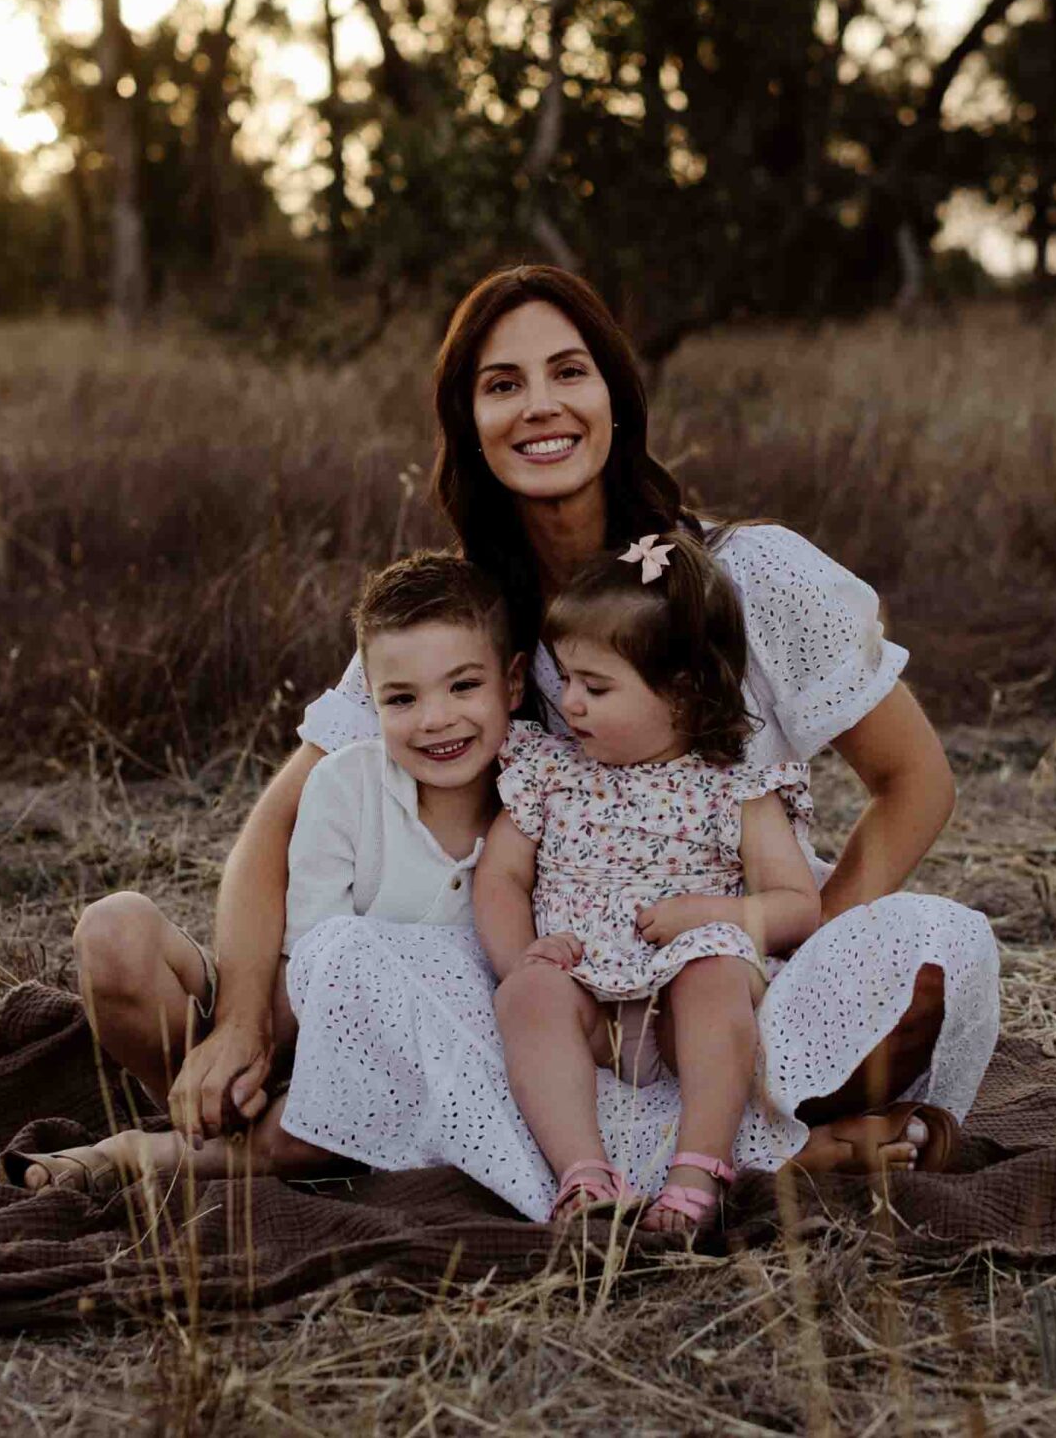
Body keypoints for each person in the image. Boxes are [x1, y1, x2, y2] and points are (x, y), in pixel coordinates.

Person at [250, 265, 1000, 1220]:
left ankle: (735, 1121)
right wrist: (242, 1019)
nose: (541, 406)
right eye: (502, 384)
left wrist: (796, 964)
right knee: (372, 968)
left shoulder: (748, 576)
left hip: (732, 966)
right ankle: (722, 1156)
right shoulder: (464, 629)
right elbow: (277, 827)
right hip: (562, 988)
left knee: (935, 956)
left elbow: (916, 782)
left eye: (570, 371)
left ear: (616, 395)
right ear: (464, 421)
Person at [0, 551, 520, 1192]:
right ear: (369, 700)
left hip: (429, 1061)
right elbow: (312, 958)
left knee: (309, 1129)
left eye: (463, 686)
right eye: (402, 698)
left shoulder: (542, 802)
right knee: (113, 930)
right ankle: (219, 1124)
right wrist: (248, 1045)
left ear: (513, 685)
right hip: (310, 1028)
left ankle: (139, 1155)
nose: (435, 719)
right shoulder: (344, 784)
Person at [478, 529, 822, 1228]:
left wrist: (708, 916)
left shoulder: (735, 789)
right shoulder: (550, 773)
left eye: (595, 686)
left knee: (716, 975)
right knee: (527, 997)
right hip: (584, 993)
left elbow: (798, 906)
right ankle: (583, 1172)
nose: (568, 702)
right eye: (566, 678)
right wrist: (526, 960)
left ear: (684, 695)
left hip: (681, 990)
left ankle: (698, 1167)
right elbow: (500, 878)